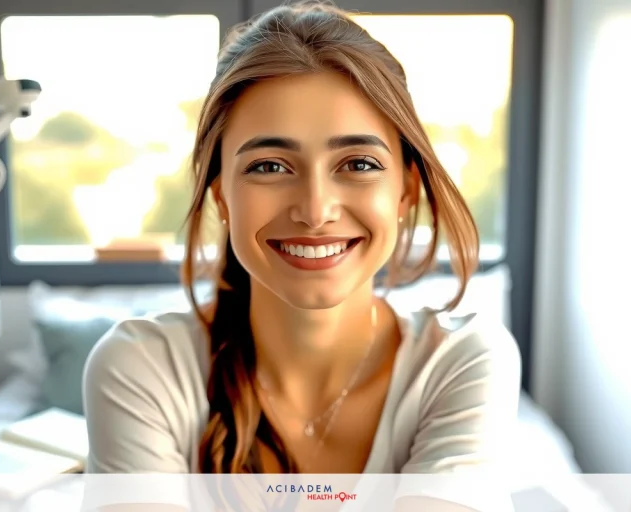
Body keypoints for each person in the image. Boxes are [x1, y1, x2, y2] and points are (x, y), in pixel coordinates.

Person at [82, 1, 521, 510]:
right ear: (222, 196)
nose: (315, 211)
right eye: (269, 166)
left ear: (406, 192)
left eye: (357, 162)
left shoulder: (462, 363)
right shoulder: (143, 367)